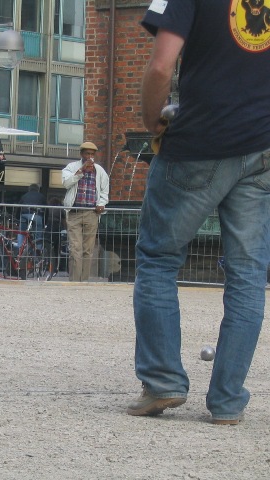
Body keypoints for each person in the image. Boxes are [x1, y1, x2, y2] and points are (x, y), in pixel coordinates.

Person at [127, 0, 270, 426]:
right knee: (248, 275)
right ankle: (227, 401)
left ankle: (163, 382)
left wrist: (152, 121)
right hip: (261, 149)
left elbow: (161, 66)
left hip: (199, 142)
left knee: (158, 258)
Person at [61, 142, 109, 282]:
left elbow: (104, 191)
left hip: (91, 213)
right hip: (74, 212)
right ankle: (74, 282)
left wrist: (101, 204)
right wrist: (81, 170)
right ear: (81, 154)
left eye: (92, 154)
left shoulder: (99, 171)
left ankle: (84, 281)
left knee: (88, 250)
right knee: (75, 248)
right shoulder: (71, 167)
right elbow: (66, 183)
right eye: (87, 153)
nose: (90, 156)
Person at [16, 183, 46, 252]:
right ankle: (38, 250)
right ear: (38, 190)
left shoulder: (24, 196)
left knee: (21, 232)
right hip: (37, 216)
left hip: (24, 215)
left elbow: (18, 208)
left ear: (29, 189)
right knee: (38, 234)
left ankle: (20, 248)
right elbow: (46, 210)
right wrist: (44, 222)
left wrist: (17, 218)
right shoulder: (42, 196)